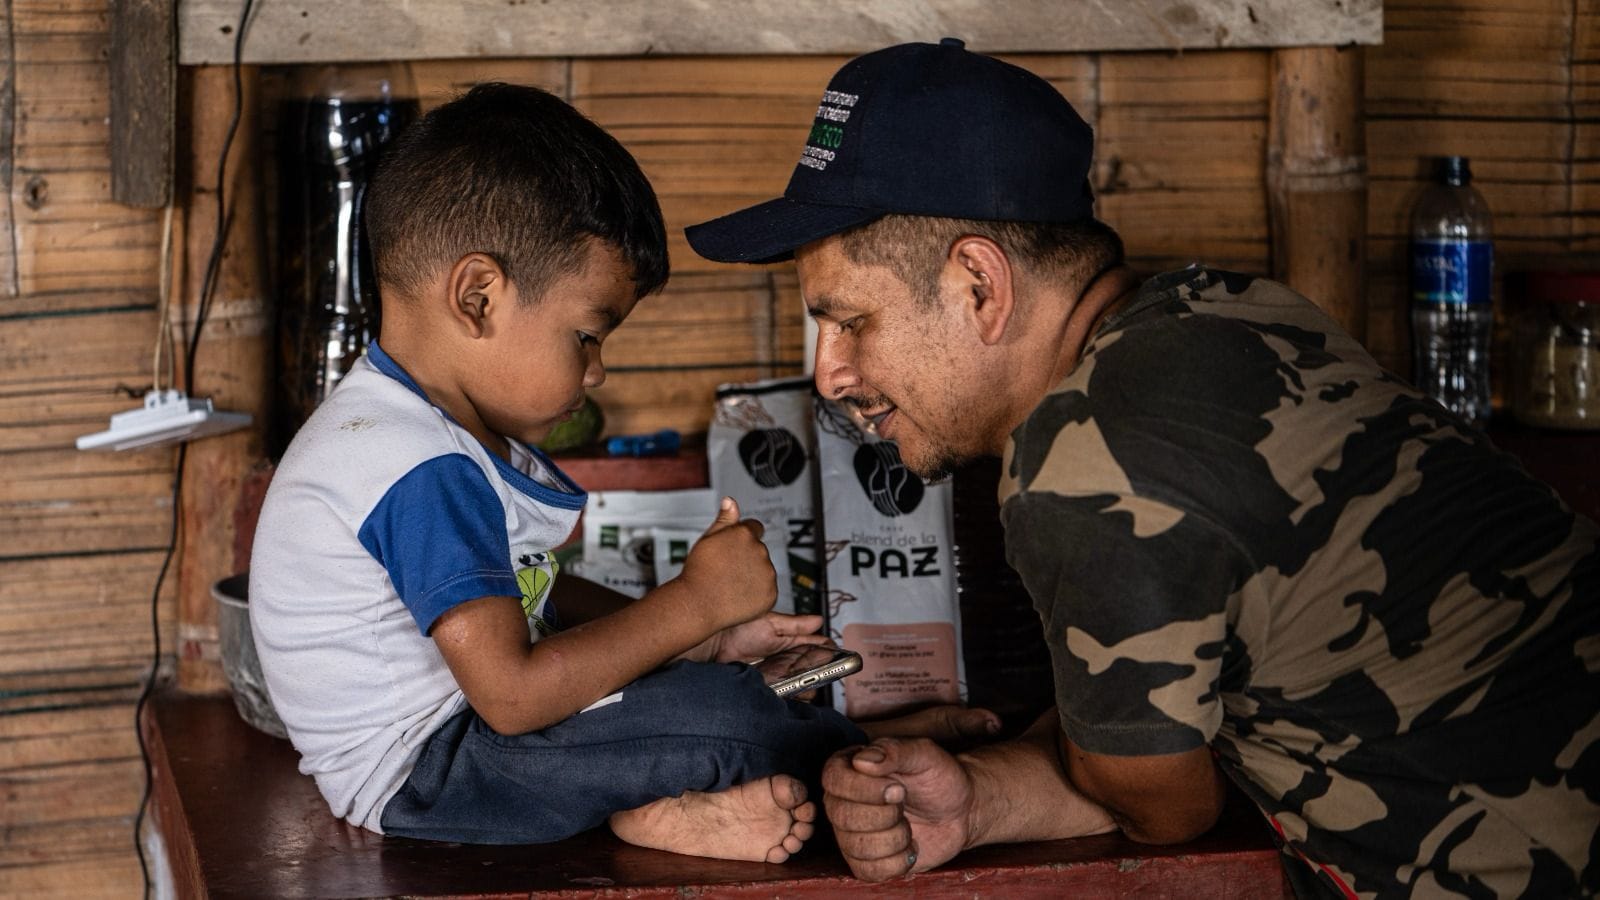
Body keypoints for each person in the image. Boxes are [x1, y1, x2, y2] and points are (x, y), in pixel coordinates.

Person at [685, 39, 1600, 897]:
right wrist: (976, 798)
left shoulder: (1085, 464)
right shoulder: (1233, 311)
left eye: (851, 321)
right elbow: (1154, 723)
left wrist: (1008, 780)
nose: (831, 374)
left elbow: (1165, 806)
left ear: (980, 285)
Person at [250, 82, 996, 864]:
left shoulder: (417, 431)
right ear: (478, 297)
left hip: (472, 740)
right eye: (586, 336)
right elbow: (512, 698)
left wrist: (702, 637)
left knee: (708, 693)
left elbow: (535, 592)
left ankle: (827, 755)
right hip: (436, 772)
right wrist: (692, 604)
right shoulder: (416, 465)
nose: (598, 371)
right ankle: (851, 763)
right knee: (721, 722)